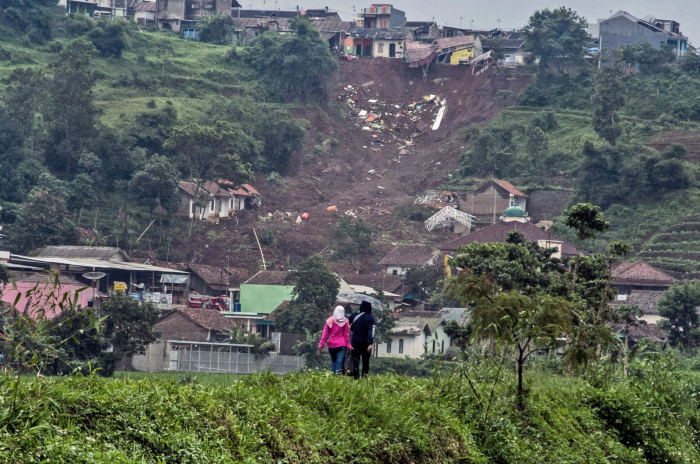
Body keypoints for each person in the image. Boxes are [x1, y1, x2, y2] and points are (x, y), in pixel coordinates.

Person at [318, 306, 352, 374]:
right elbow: (346, 335)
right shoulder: (345, 321)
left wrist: (321, 345)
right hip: (341, 345)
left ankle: (333, 376)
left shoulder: (329, 320)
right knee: (339, 361)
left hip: (331, 345)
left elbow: (324, 333)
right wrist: (348, 346)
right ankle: (337, 376)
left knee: (333, 361)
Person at [349, 301, 376, 379]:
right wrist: (370, 343)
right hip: (366, 343)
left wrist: (354, 330)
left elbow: (349, 326)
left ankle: (356, 378)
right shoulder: (370, 318)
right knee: (365, 361)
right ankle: (364, 377)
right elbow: (371, 331)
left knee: (355, 360)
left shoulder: (353, 316)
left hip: (355, 342)